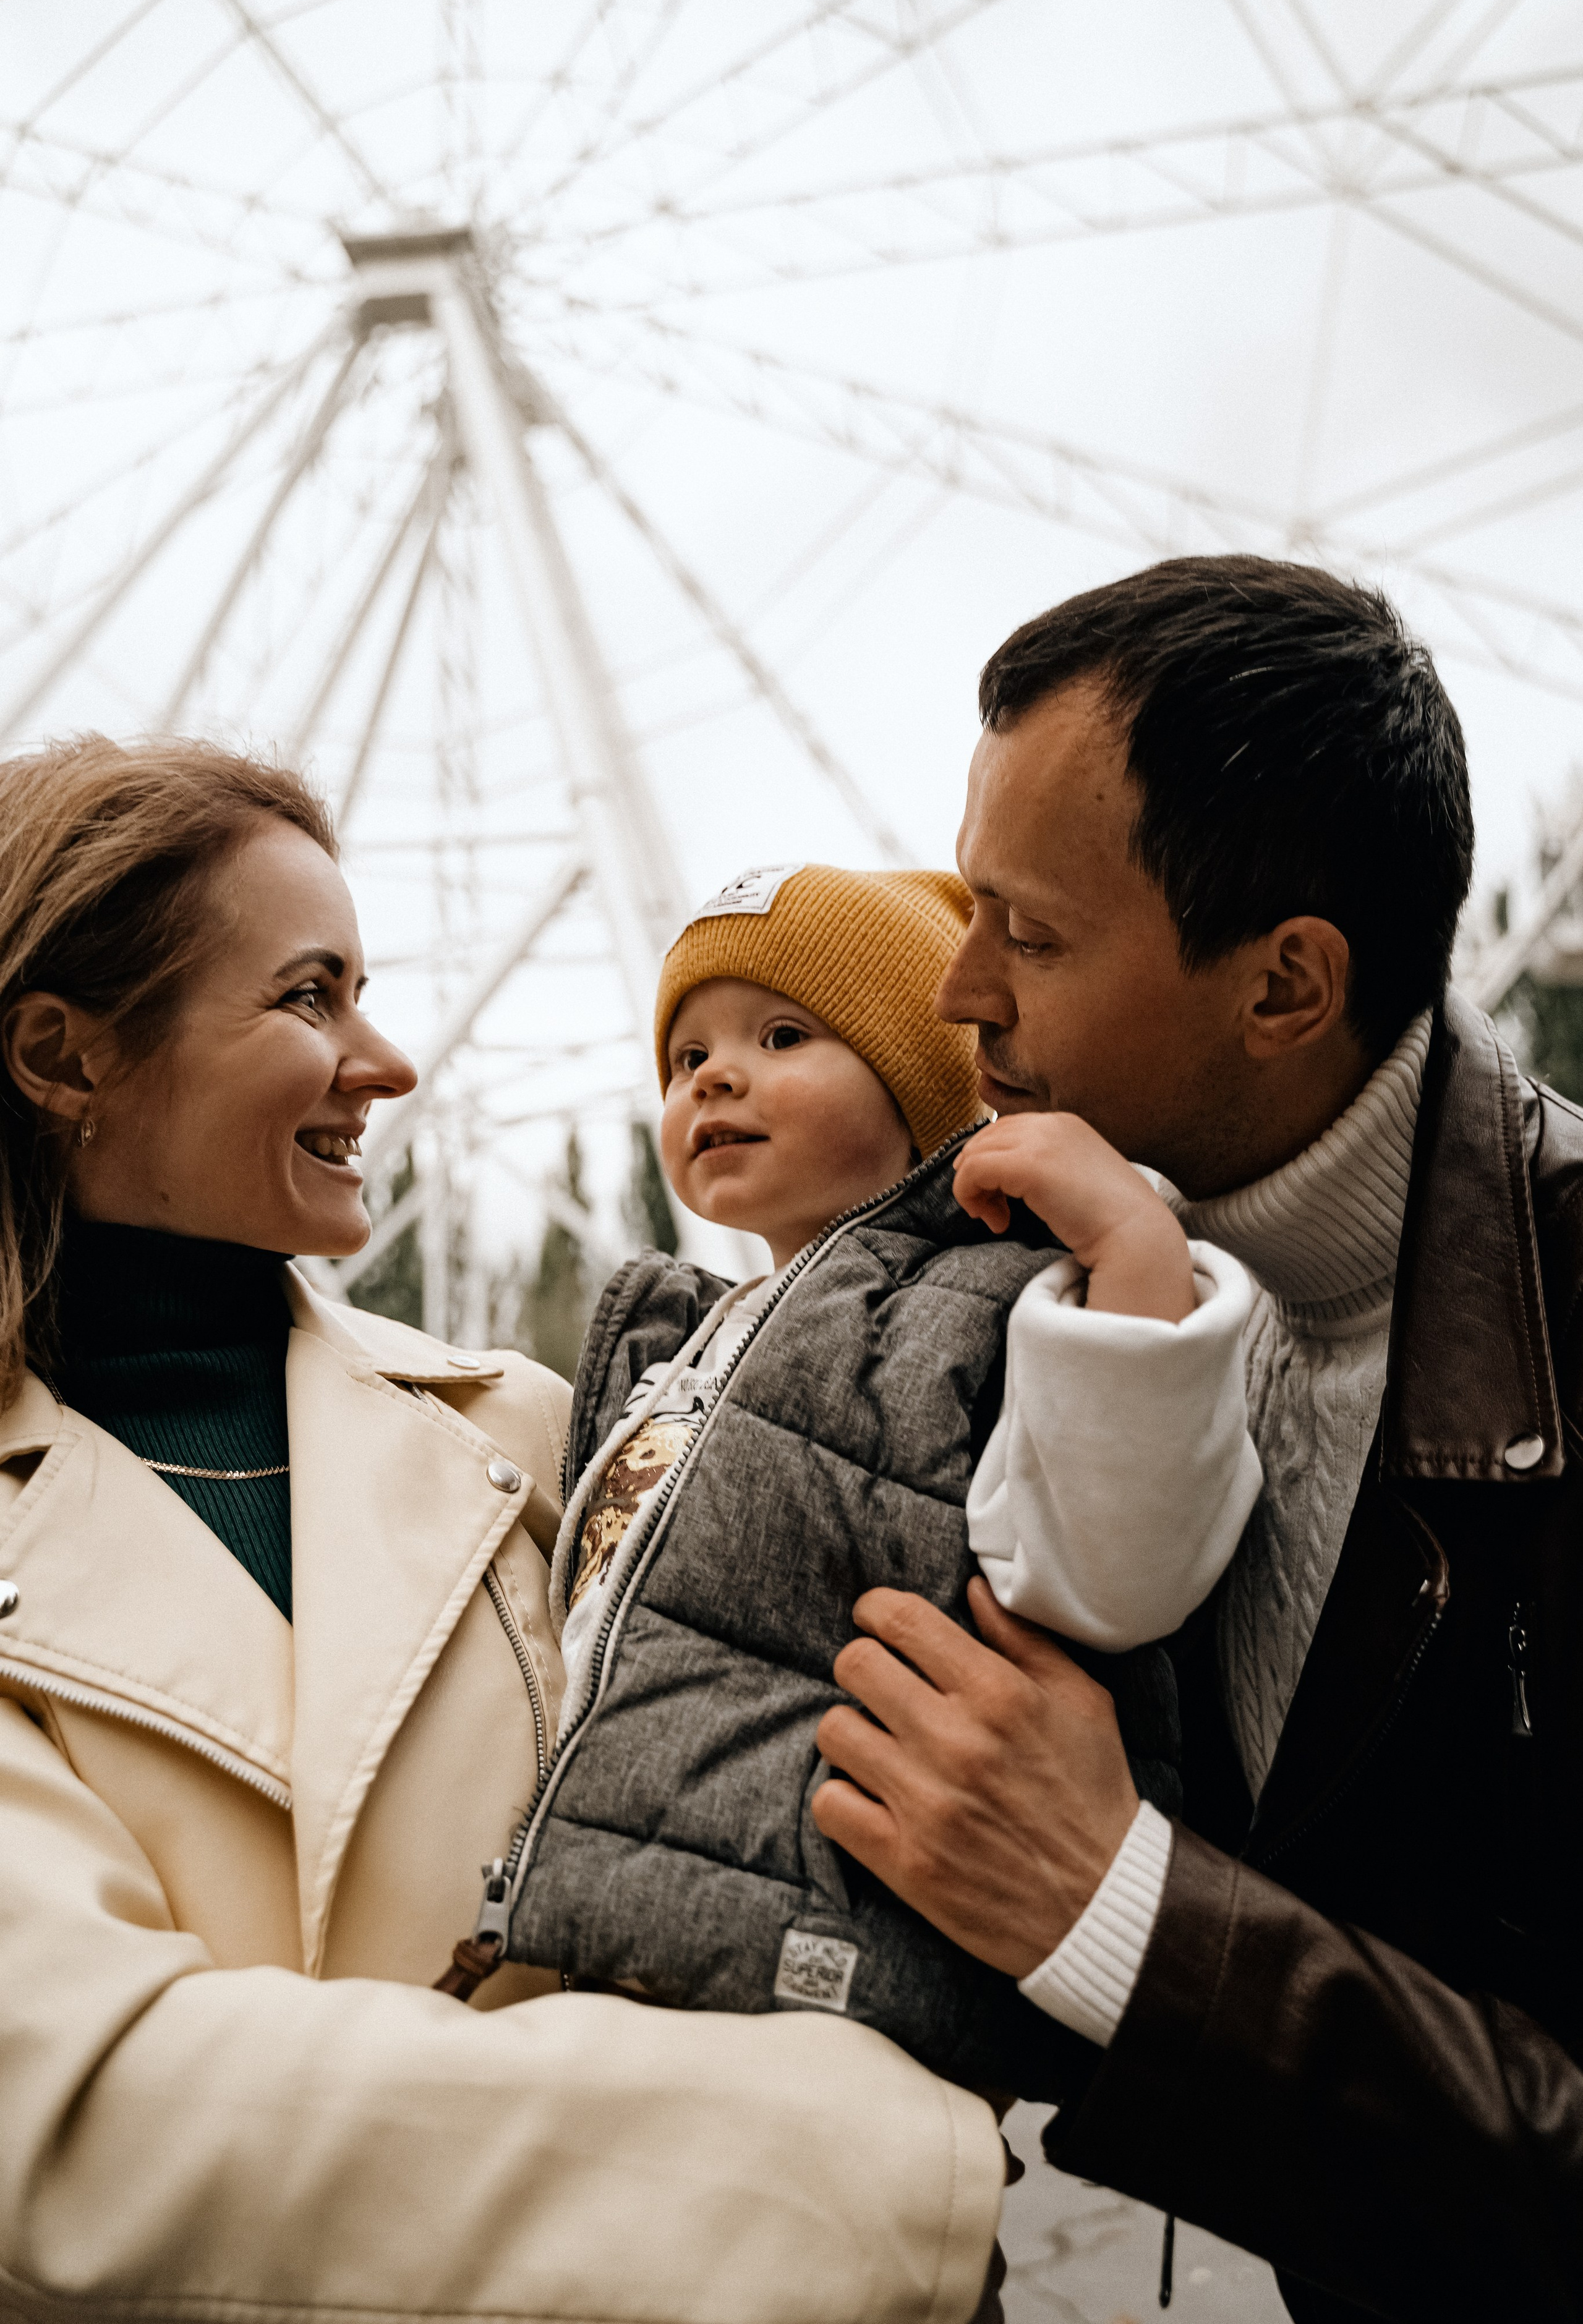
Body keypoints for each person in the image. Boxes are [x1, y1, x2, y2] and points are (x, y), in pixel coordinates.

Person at [0, 734, 1004, 2324]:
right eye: (308, 995)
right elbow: (79, 2114)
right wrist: (874, 2164)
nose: (387, 1061)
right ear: (65, 1057)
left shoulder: (541, 1432)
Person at [808, 557, 1583, 2323]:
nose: (959, 995)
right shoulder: (1042, 1308)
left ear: (1287, 986)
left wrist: (1124, 1914)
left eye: (1036, 934)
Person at [501, 862, 1258, 2090]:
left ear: (921, 1081)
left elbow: (1110, 1567)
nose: (714, 1075)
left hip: (828, 1966)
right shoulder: (678, 1337)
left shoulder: (982, 1309)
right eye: (684, 1055)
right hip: (621, 1937)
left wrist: (1131, 1256)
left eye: (782, 1034)